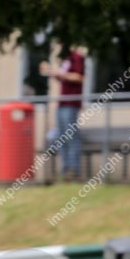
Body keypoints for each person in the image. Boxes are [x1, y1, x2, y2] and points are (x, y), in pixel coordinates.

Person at [40, 45, 85, 180]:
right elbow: (64, 78)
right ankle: (65, 170)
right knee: (61, 137)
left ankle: (74, 170)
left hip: (71, 103)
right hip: (62, 103)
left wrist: (59, 73)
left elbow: (78, 77)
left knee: (71, 136)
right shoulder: (66, 59)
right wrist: (51, 72)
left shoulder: (77, 57)